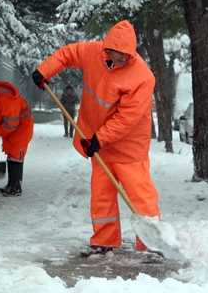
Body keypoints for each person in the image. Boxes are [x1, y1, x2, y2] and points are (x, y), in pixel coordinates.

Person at [31, 20, 160, 256]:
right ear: (107, 48)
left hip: (128, 146)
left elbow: (126, 118)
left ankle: (152, 244)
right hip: (98, 142)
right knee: (102, 196)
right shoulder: (93, 52)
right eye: (117, 54)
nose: (122, 59)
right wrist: (45, 71)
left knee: (141, 197)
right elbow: (68, 53)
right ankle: (105, 240)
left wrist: (100, 138)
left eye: (126, 55)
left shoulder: (142, 77)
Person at [0, 81, 34, 197]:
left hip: (22, 126)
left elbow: (11, 125)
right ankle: (11, 185)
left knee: (16, 152)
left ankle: (16, 187)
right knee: (10, 151)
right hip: (10, 122)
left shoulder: (8, 102)